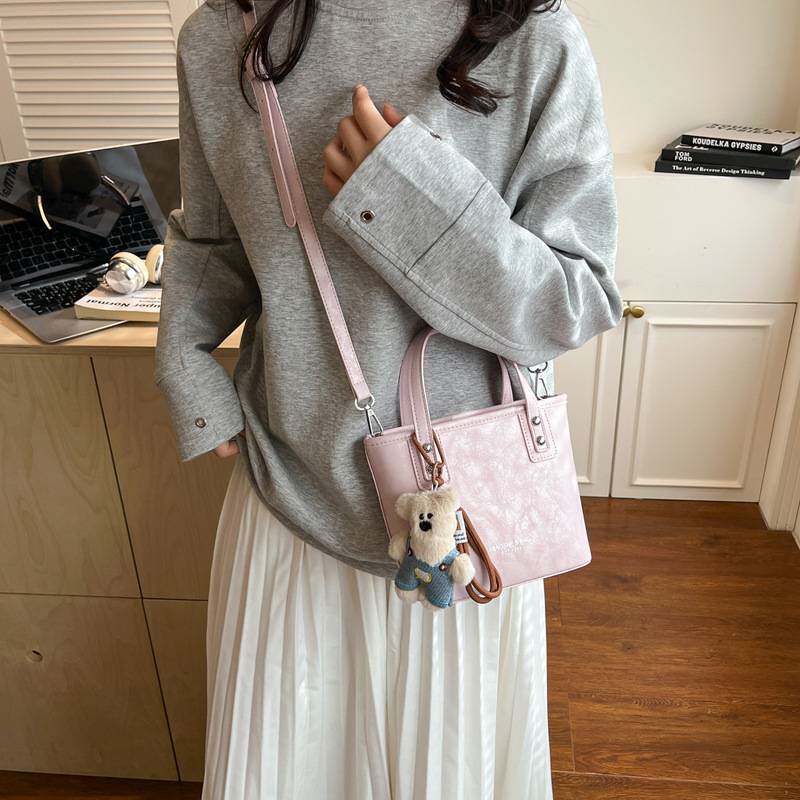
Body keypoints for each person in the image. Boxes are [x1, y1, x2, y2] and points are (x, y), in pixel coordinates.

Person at [154, 0, 622, 797]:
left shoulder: (532, 36)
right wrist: (187, 366)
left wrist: (407, 200)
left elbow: (572, 303)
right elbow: (214, 240)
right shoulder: (223, 38)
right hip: (291, 498)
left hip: (471, 516)